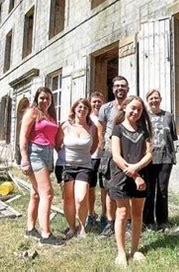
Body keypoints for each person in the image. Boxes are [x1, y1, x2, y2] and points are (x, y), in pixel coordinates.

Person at [110, 96, 152, 267]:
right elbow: (116, 156)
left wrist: (136, 168)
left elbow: (149, 154)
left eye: (139, 109)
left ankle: (134, 249)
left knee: (137, 214)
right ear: (125, 107)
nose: (135, 112)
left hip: (141, 175)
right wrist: (135, 175)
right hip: (122, 176)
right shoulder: (117, 129)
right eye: (133, 108)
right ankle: (121, 251)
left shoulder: (144, 131)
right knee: (122, 213)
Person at [19, 87, 64, 247]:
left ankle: (30, 229)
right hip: (35, 153)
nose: (45, 101)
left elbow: (56, 140)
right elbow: (23, 137)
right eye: (42, 98)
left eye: (48, 98)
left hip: (48, 154)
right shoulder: (32, 112)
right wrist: (24, 159)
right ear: (37, 98)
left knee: (36, 194)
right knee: (48, 193)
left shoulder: (51, 116)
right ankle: (46, 235)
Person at [57, 98, 98, 239]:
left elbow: (94, 146)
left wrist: (83, 156)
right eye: (80, 107)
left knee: (81, 198)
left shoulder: (92, 127)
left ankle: (82, 226)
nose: (82, 110)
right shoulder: (65, 125)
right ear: (74, 109)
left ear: (88, 111)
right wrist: (66, 158)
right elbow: (58, 144)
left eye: (85, 108)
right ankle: (71, 227)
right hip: (66, 166)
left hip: (84, 166)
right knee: (68, 199)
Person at [98, 76, 130, 236]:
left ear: (127, 88)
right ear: (112, 89)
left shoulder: (132, 105)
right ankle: (110, 223)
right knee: (110, 189)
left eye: (123, 86)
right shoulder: (106, 108)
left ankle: (128, 222)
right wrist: (102, 145)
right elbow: (101, 128)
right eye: (117, 85)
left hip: (129, 152)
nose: (120, 88)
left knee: (128, 188)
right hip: (110, 153)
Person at [143, 89, 177, 231]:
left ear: (161, 99)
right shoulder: (144, 118)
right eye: (151, 98)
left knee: (162, 190)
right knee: (149, 190)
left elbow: (172, 137)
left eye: (156, 98)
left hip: (165, 158)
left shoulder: (168, 116)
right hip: (148, 159)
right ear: (148, 100)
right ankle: (148, 220)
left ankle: (162, 221)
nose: (154, 100)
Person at [86, 91, 105, 230]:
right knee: (90, 188)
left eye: (99, 101)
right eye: (94, 102)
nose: (97, 104)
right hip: (91, 158)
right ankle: (91, 214)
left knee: (105, 188)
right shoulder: (88, 118)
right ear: (90, 103)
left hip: (104, 157)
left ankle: (105, 215)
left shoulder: (106, 118)